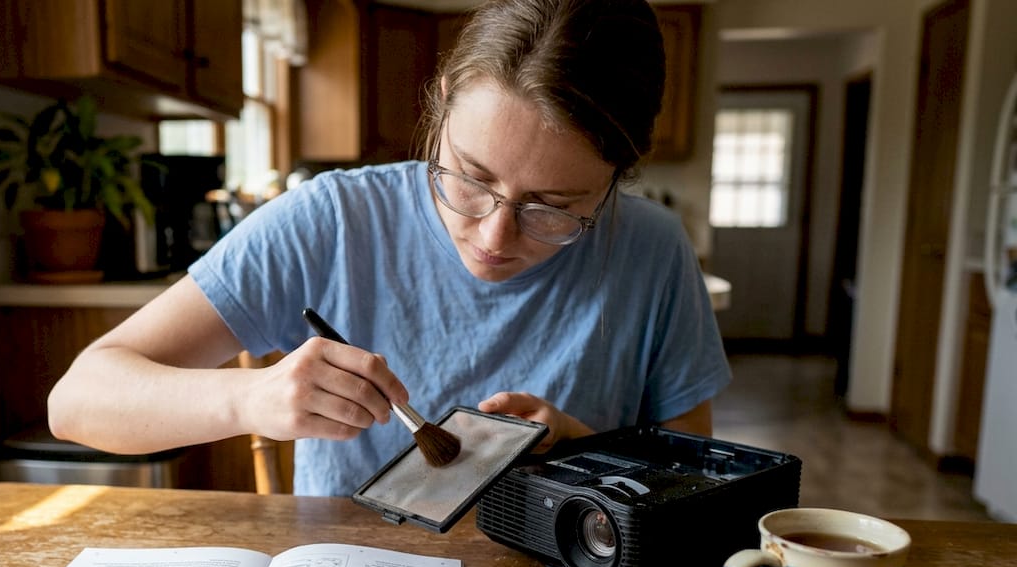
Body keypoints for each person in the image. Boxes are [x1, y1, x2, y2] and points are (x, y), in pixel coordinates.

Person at [47, 0, 730, 497]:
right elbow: (78, 401)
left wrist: (582, 451)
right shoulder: (331, 220)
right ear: (439, 105)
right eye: (469, 176)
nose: (492, 237)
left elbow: (696, 480)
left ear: (620, 174)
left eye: (552, 209)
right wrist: (250, 398)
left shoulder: (650, 250)